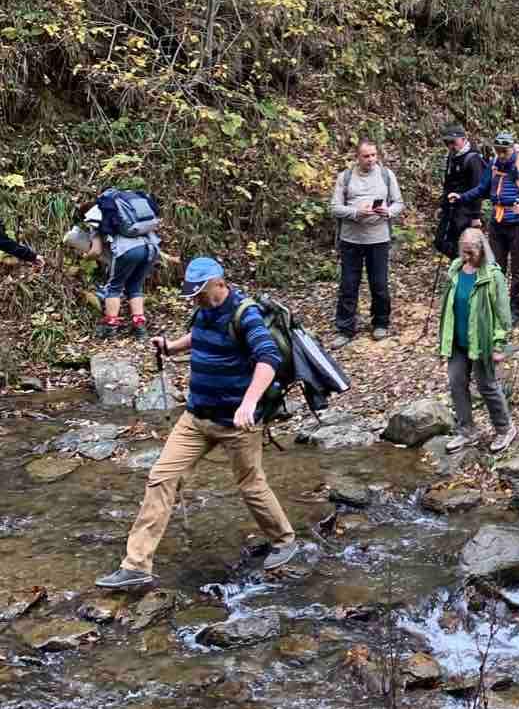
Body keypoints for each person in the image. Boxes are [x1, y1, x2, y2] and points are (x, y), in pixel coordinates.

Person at [95, 256, 297, 590]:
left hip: (237, 424)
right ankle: (136, 566)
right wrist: (171, 347)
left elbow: (268, 358)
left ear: (219, 283)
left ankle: (284, 540)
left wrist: (249, 403)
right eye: (192, 294)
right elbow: (198, 335)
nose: (195, 300)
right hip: (195, 419)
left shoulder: (245, 314)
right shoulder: (204, 309)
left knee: (250, 484)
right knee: (161, 479)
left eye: (200, 293)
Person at [439, 227, 516, 454]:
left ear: (482, 249)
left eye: (470, 252)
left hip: (482, 341)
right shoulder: (455, 269)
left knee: (487, 385)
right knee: (456, 383)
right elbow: (449, 306)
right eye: (463, 251)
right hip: (457, 341)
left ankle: (505, 429)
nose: (466, 256)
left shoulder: (492, 275)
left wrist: (499, 345)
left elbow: (503, 314)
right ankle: (467, 431)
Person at [329, 139, 404, 348]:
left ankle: (381, 322)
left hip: (378, 239)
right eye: (366, 156)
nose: (370, 159)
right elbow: (334, 207)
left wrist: (388, 211)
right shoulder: (345, 177)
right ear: (357, 157)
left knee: (379, 283)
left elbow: (399, 203)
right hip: (351, 240)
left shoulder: (386, 175)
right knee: (348, 284)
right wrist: (355, 212)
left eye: (373, 155)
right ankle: (345, 328)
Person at [463, 131, 519, 323]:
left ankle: (516, 309)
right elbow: (482, 188)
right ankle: (498, 306)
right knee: (496, 267)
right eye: (498, 150)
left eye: (504, 151)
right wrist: (461, 198)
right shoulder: (494, 164)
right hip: (497, 222)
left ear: (512, 148)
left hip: (518, 224)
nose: (501, 154)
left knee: (518, 268)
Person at [74, 189, 162, 338]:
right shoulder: (126, 211)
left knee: (114, 287)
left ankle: (110, 326)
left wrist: (85, 257)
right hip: (151, 248)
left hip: (128, 250)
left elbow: (96, 251)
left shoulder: (96, 217)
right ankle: (140, 327)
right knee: (135, 286)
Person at [436, 124, 486, 256]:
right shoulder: (452, 156)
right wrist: (443, 205)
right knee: (441, 242)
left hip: (466, 210)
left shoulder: (473, 158)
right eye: (447, 143)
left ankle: (464, 267)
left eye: (453, 142)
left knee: (462, 245)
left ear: (464, 139)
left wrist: (476, 216)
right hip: (451, 208)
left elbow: (478, 188)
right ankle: (459, 265)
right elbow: (448, 183)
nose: (450, 146)